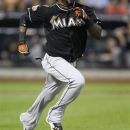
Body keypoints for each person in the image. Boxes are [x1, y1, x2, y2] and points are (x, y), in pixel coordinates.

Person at [17, 0, 102, 130]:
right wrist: (22, 41)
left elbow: (98, 34)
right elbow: (24, 17)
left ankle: (29, 119)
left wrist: (87, 19)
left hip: (71, 61)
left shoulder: (85, 10)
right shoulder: (48, 11)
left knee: (48, 94)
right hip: (54, 59)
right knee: (77, 81)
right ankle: (55, 115)